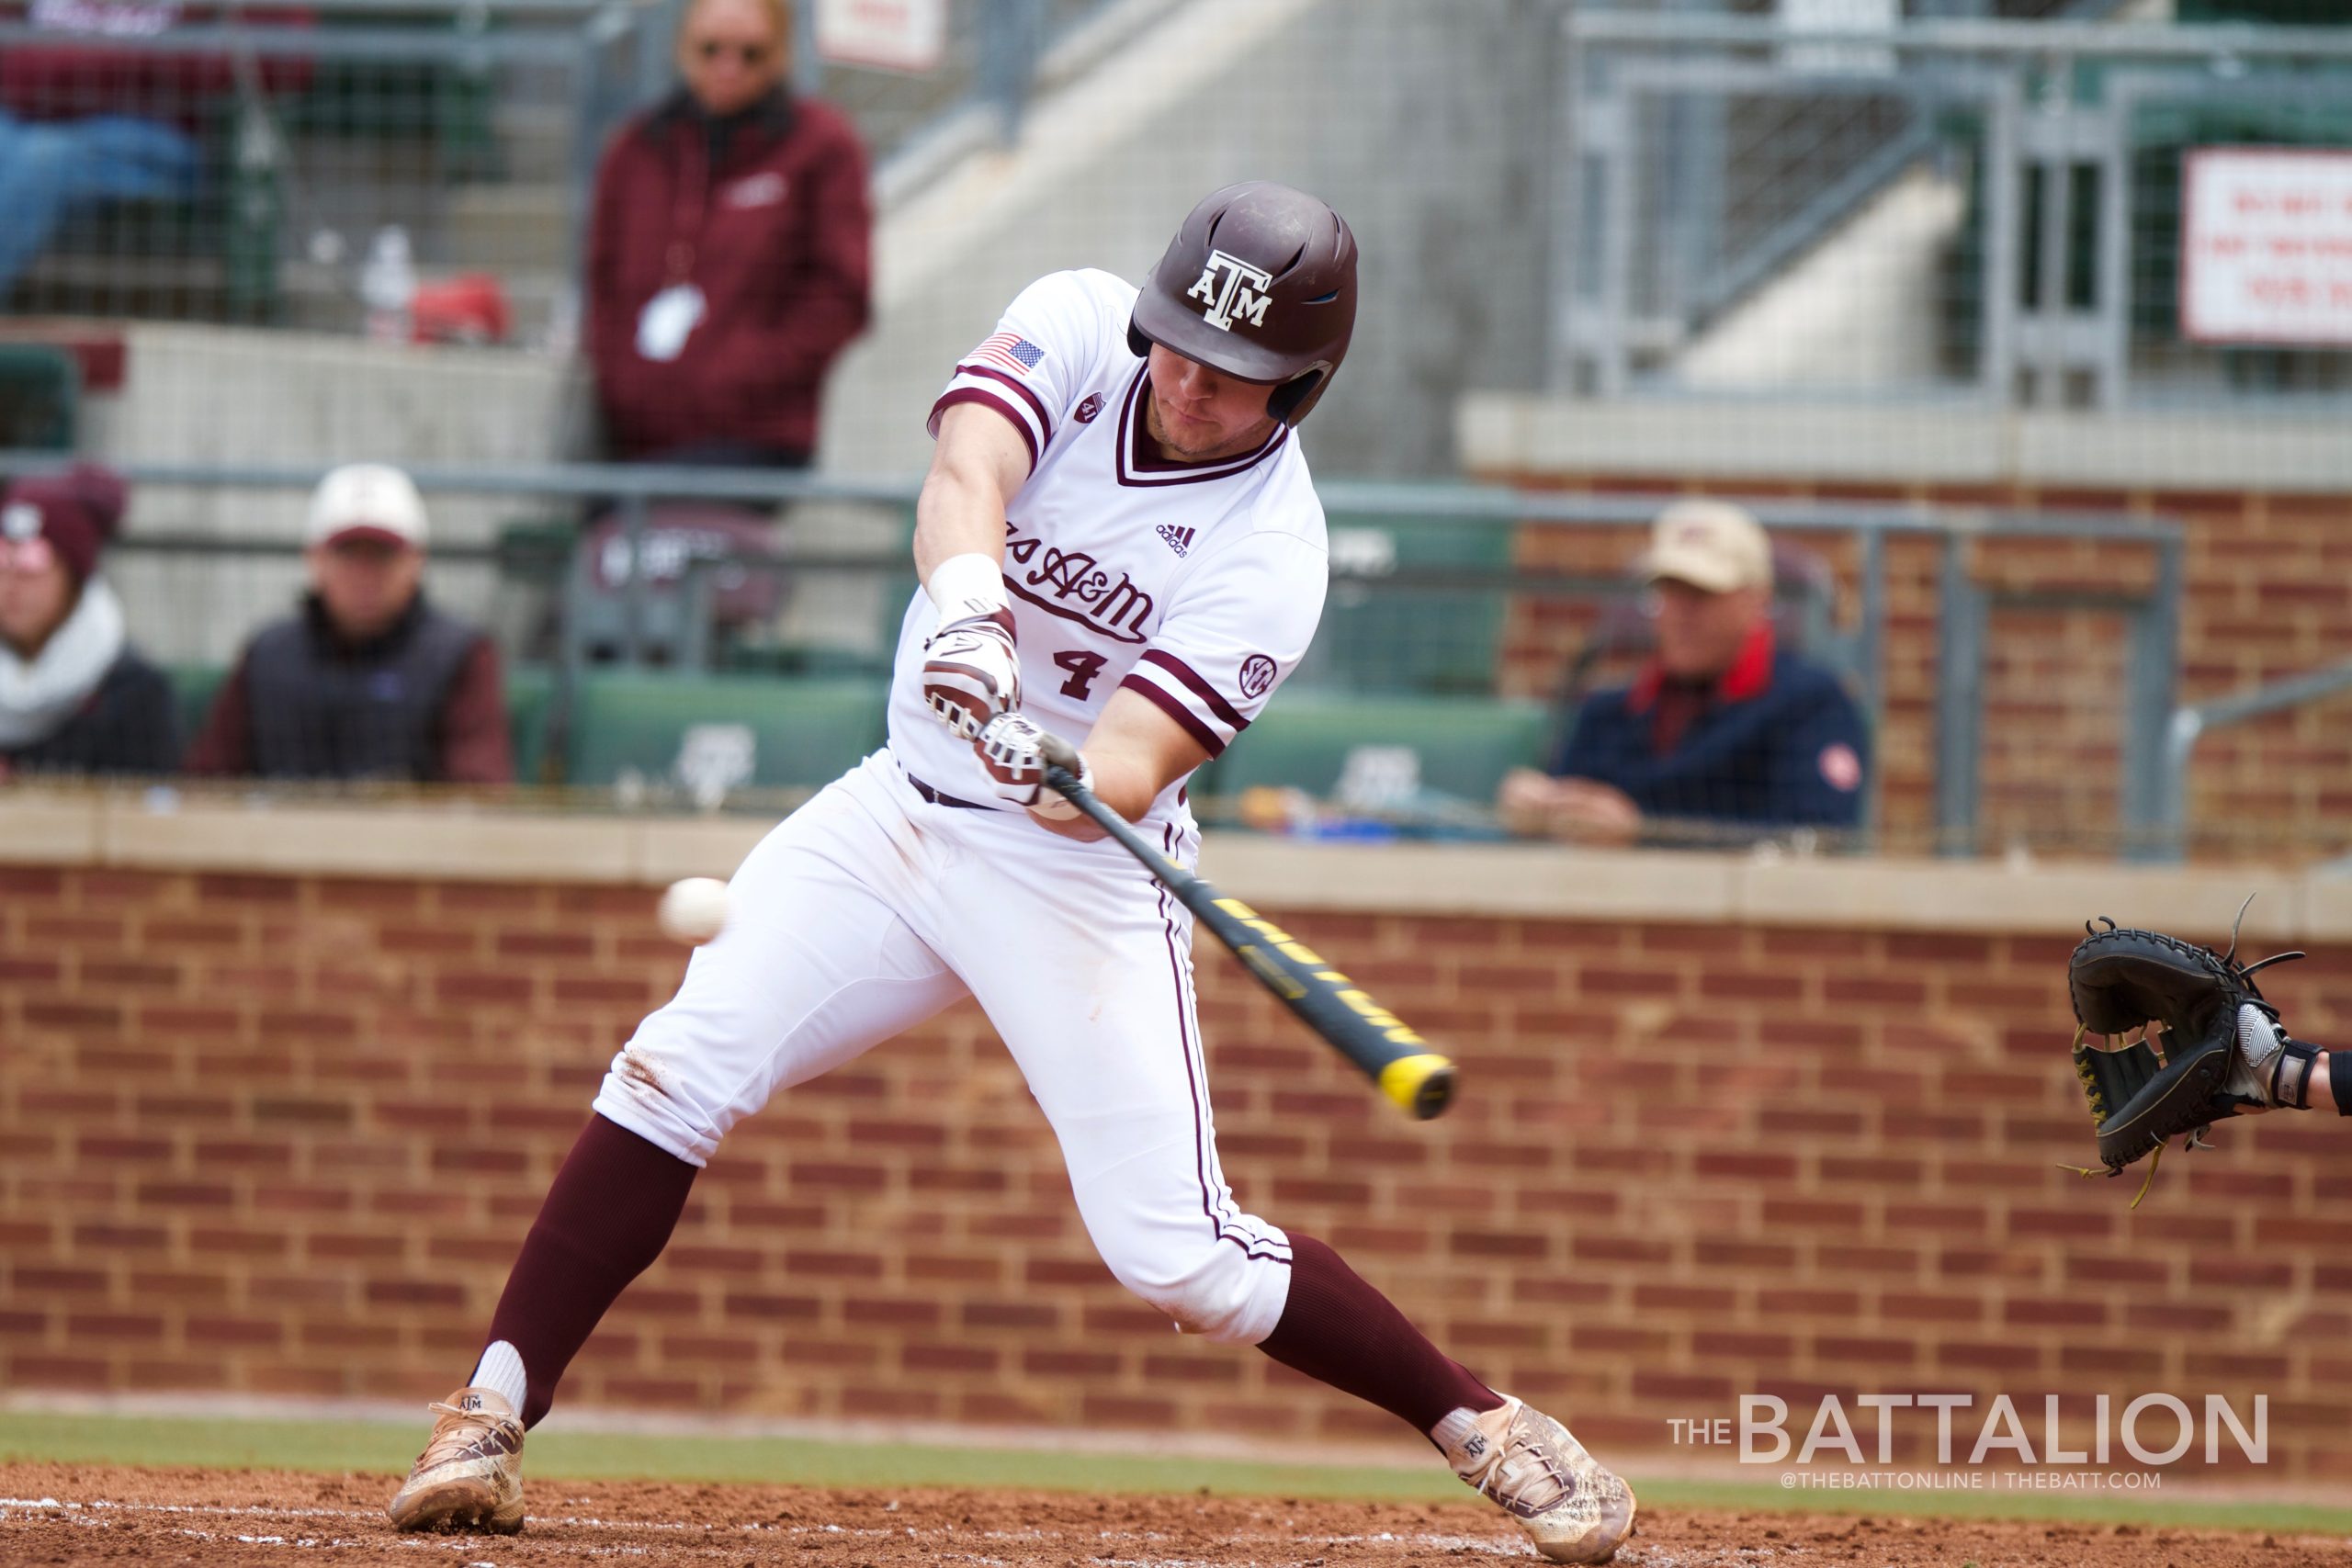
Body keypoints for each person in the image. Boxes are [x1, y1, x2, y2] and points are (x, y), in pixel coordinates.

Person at [386, 183, 1636, 1565]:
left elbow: (1127, 767)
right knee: (678, 1060)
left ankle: (1487, 1424)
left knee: (1180, 1255)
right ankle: (489, 1415)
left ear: (1302, 390)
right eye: (1176, 346)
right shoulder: (1082, 322)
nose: (1184, 387)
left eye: (1232, 380)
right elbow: (965, 476)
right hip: (895, 813)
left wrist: (1063, 767)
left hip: (1076, 874)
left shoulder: (1275, 550)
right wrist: (974, 618)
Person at [584, 0, 870, 467]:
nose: (728, 67)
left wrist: (734, 378)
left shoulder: (820, 148)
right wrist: (628, 385)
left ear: (780, 54)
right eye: (710, 49)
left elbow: (839, 296)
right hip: (634, 436)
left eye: (751, 53)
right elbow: (603, 285)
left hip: (756, 437)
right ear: (683, 48)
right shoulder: (637, 150)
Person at [1498, 500, 1867, 846]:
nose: (1680, 613)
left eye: (1702, 594)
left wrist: (1643, 835)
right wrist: (1540, 812)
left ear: (1757, 600)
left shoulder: (1811, 705)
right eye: (1667, 592)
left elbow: (1817, 840)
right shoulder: (1608, 713)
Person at [184, 463, 512, 784]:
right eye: (349, 555)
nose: (364, 574)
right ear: (315, 560)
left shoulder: (460, 655)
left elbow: (477, 791)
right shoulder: (268, 655)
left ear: (416, 563)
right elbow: (206, 782)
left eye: (382, 556)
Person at [0, 460, 179, 778]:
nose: (11, 586)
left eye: (31, 566)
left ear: (74, 581)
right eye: (2, 562)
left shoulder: (131, 691)